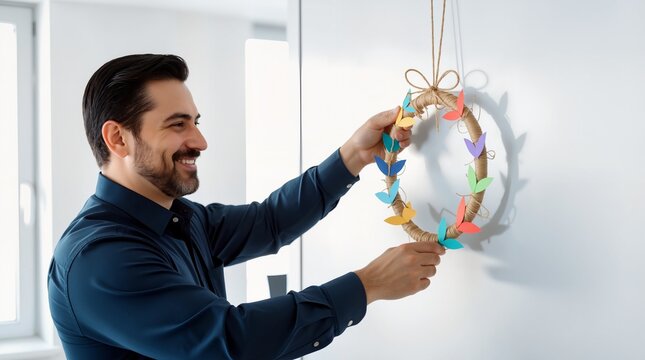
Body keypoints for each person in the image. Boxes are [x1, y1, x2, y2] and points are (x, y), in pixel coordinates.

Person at [47, 54, 445, 360]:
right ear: (118, 138)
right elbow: (231, 342)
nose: (200, 141)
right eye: (178, 124)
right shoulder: (100, 260)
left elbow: (269, 221)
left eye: (196, 122)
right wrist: (367, 285)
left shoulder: (181, 219)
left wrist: (354, 155)